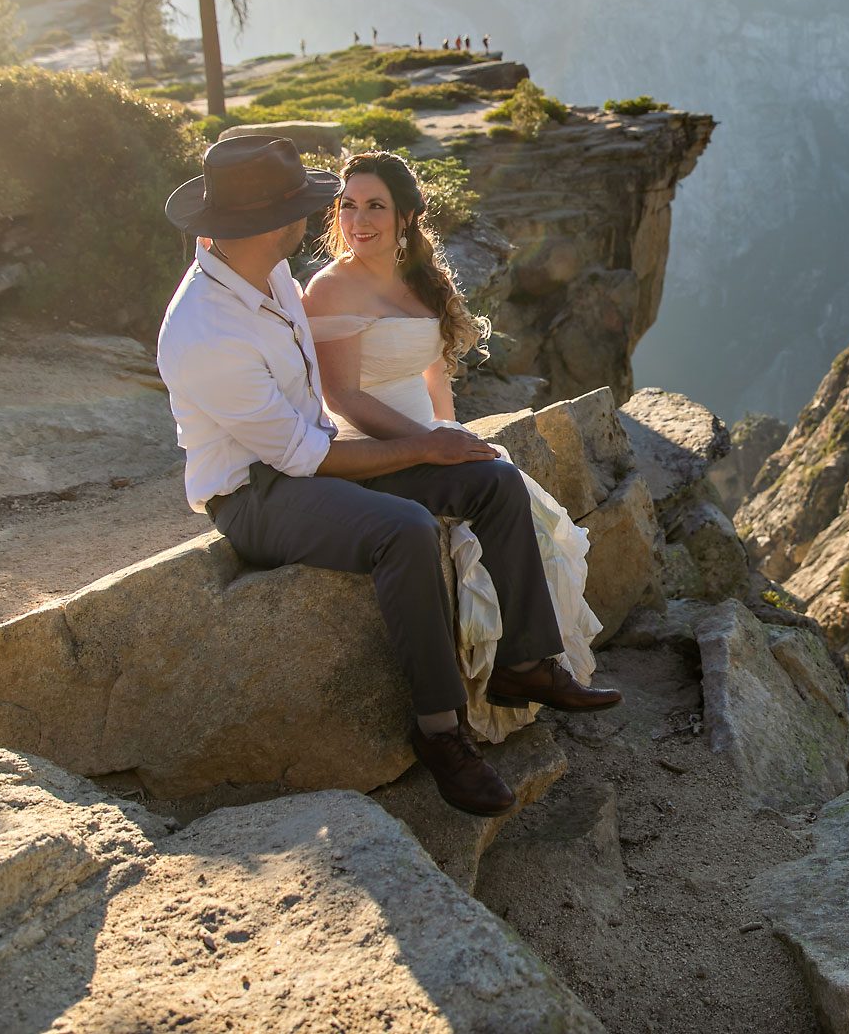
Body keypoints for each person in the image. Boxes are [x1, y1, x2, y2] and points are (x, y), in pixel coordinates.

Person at [156, 136, 619, 819]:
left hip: (308, 457)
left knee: (491, 480)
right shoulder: (206, 329)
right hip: (254, 493)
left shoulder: (264, 272)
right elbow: (299, 460)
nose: (320, 218)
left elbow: (318, 432)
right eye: (308, 207)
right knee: (402, 531)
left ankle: (523, 662)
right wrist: (423, 449)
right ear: (262, 224)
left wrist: (440, 444)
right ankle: (440, 732)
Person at [301, 149, 604, 744]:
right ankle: (522, 669)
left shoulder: (418, 280)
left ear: (406, 215)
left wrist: (454, 431)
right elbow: (342, 398)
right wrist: (427, 444)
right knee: (495, 485)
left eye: (375, 206)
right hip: (370, 451)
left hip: (426, 437)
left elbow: (434, 370)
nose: (358, 219)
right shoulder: (332, 288)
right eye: (349, 205)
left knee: (504, 479)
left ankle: (527, 666)